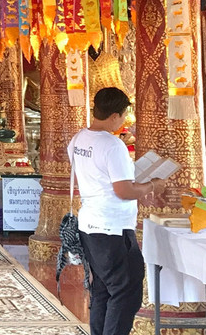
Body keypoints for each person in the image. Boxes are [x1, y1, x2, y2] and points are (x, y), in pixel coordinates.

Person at [69, 88, 166, 335]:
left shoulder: (79, 138)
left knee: (102, 288)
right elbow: (123, 191)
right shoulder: (113, 145)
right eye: (123, 116)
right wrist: (152, 185)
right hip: (111, 228)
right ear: (114, 115)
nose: (123, 121)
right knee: (125, 293)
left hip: (89, 223)